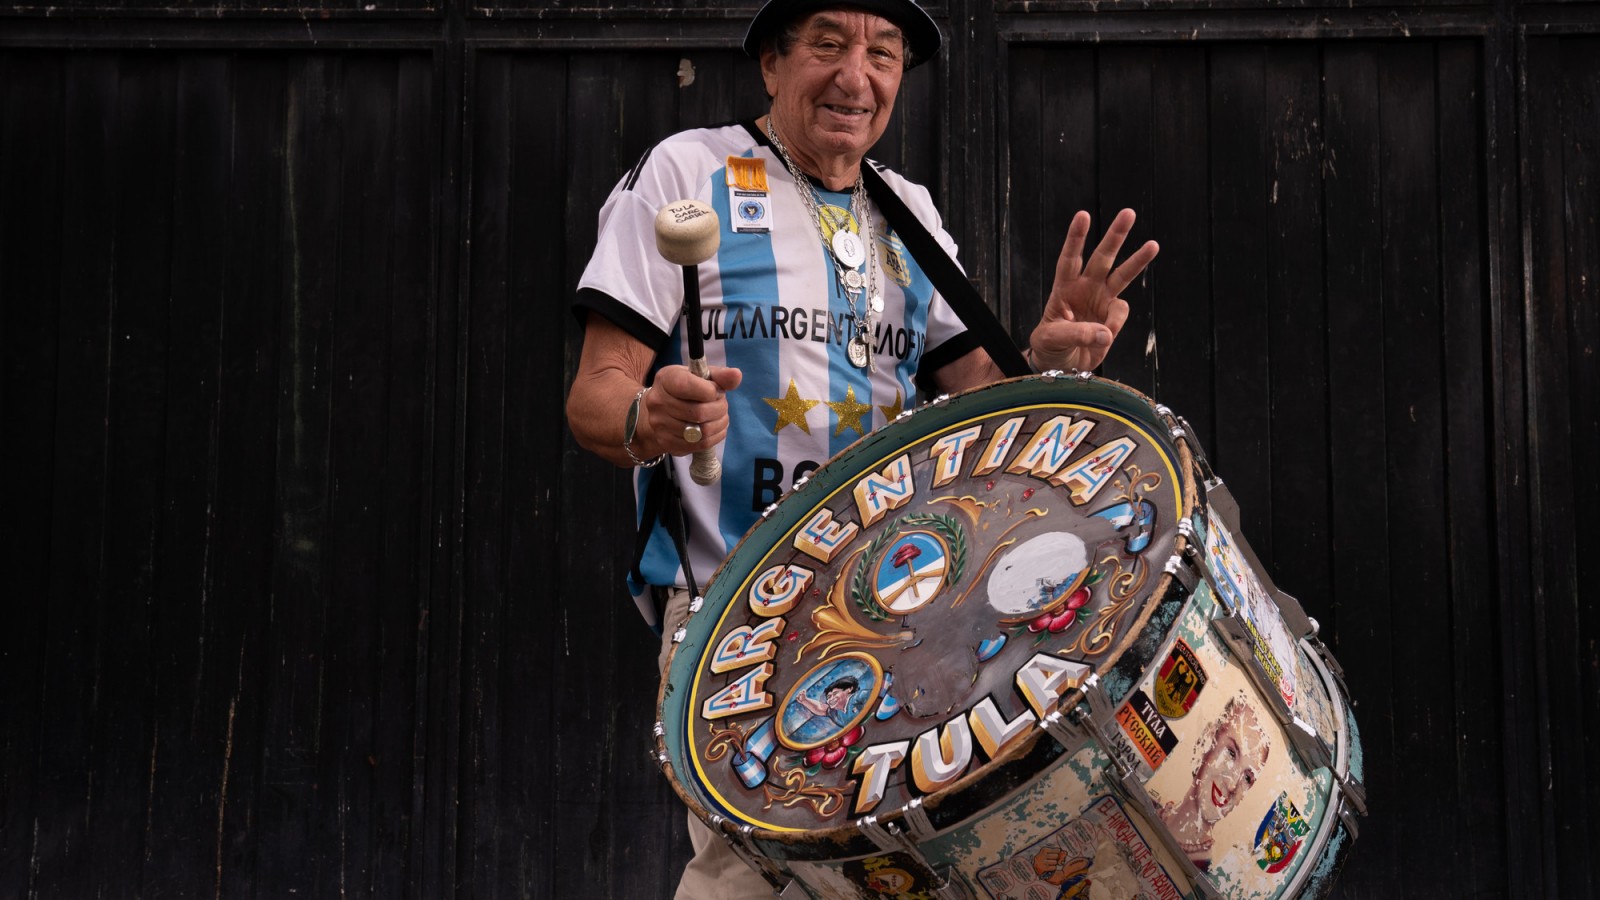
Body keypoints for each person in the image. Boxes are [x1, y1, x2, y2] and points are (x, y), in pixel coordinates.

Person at [565, 1, 1158, 895]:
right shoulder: (692, 171)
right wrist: (648, 415)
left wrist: (1045, 359)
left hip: (900, 620)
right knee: (752, 877)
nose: (857, 76)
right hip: (735, 622)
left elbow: (988, 415)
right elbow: (594, 395)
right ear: (771, 63)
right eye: (829, 46)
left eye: (882, 54)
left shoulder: (904, 211)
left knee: (889, 879)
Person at [1157, 695, 1272, 871]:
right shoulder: (1147, 804)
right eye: (1231, 753)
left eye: (1247, 778)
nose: (1233, 785)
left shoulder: (1205, 873)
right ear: (1208, 738)